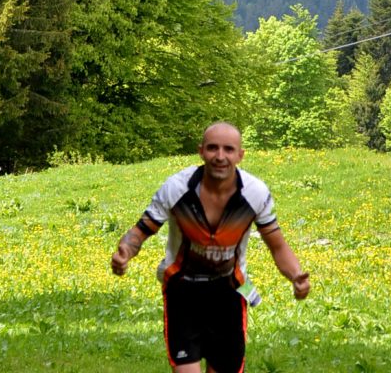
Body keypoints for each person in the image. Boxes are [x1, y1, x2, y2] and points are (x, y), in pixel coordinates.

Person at [110, 121, 310, 373]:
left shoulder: (255, 193)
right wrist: (124, 252)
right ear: (201, 151)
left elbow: (277, 245)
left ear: (240, 155)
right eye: (213, 148)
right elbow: (141, 230)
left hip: (230, 291)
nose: (220, 156)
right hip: (183, 291)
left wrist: (296, 276)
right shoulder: (176, 188)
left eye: (228, 149)